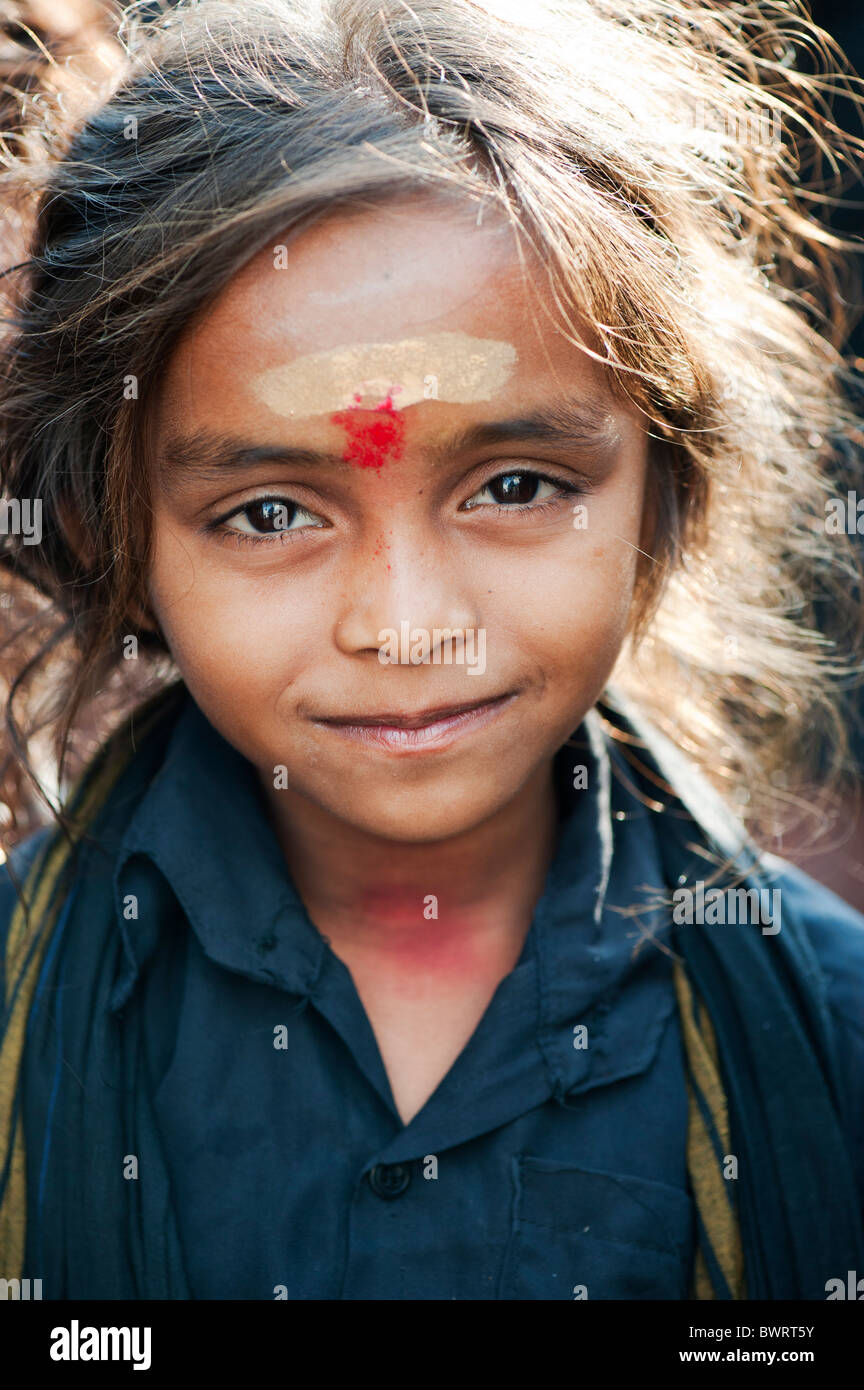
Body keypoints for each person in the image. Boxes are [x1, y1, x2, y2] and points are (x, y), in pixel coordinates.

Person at [0, 0, 862, 1300]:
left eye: (514, 487)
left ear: (664, 489)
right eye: (272, 512)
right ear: (111, 534)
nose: (406, 625)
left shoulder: (831, 1035)